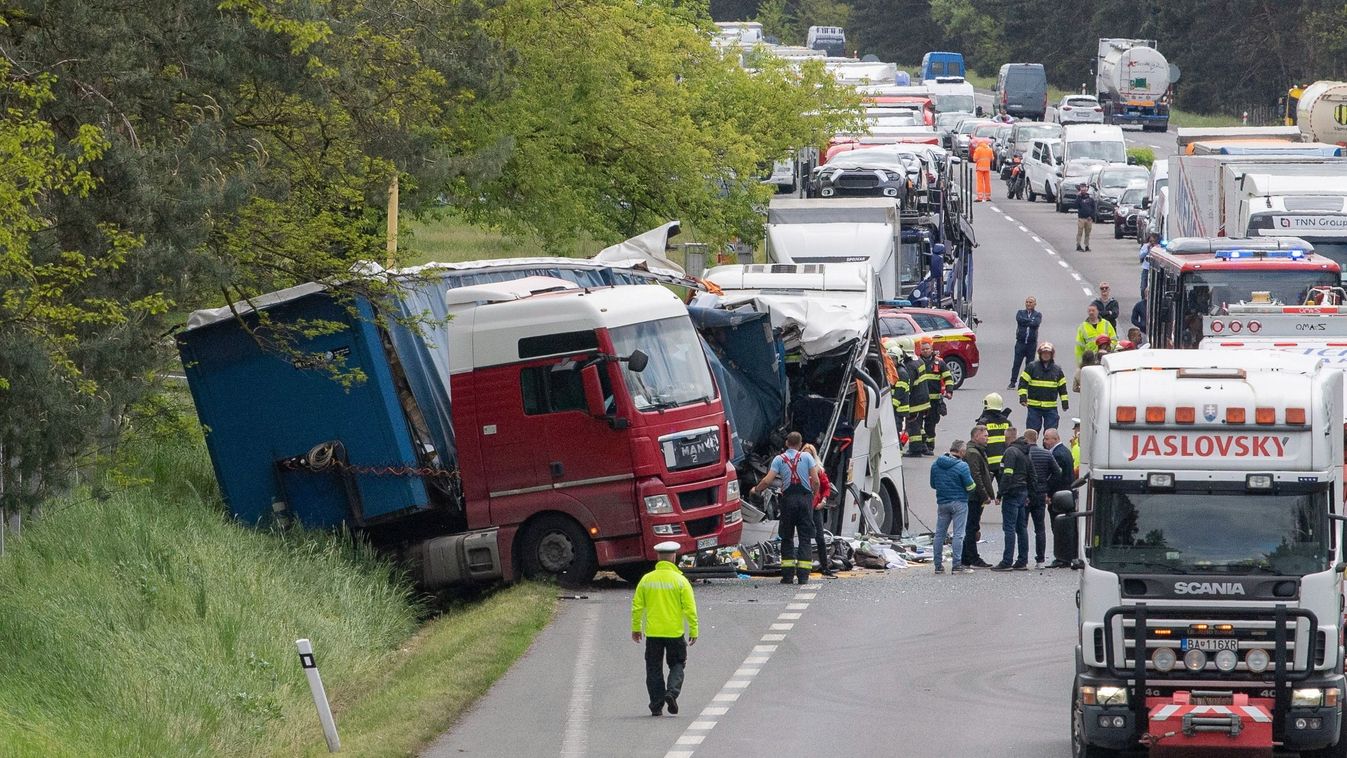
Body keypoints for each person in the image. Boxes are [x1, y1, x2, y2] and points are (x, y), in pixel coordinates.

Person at [631, 541, 699, 717]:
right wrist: (694, 630)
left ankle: (656, 705)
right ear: (674, 557)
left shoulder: (646, 580)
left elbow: (637, 606)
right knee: (677, 663)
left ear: (657, 557)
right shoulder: (681, 581)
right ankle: (672, 692)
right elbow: (690, 608)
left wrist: (636, 628)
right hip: (674, 633)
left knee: (653, 668)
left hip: (653, 634)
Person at [749, 431, 820, 585]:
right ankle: (803, 576)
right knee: (805, 538)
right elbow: (816, 481)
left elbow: (767, 480)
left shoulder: (779, 459)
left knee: (787, 537)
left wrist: (756, 489)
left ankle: (787, 576)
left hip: (788, 501)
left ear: (787, 443)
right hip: (804, 498)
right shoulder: (807, 457)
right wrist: (812, 496)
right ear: (800, 444)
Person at [929, 439, 976, 574]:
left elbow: (933, 484)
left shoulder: (936, 464)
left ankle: (938, 565)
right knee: (958, 534)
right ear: (961, 451)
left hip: (942, 502)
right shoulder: (962, 466)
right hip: (959, 502)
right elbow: (970, 486)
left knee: (939, 534)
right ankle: (956, 565)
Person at [991, 426, 1033, 571]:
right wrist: (1029, 494)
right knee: (1021, 528)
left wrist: (1000, 493)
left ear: (1007, 437)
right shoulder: (1025, 451)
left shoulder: (1010, 452)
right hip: (1022, 492)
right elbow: (1032, 474)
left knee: (1009, 528)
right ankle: (1022, 560)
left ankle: (1007, 561)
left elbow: (1007, 474)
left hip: (1012, 493)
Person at [1023, 429, 1061, 570]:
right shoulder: (1046, 454)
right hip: (1040, 494)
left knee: (1023, 527)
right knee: (1040, 528)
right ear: (1037, 438)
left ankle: (1023, 558)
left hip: (1026, 494)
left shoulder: (1024, 454)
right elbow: (1058, 472)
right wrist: (1046, 487)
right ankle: (1040, 560)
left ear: (1025, 439)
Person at [962, 425, 997, 569]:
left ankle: (965, 557)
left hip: (975, 497)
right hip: (974, 497)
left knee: (972, 526)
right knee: (972, 527)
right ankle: (972, 557)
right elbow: (976, 476)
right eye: (985, 436)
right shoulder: (973, 453)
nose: (987, 438)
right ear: (976, 436)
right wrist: (985, 495)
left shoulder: (977, 451)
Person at [1018, 341, 1069, 434]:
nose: (1046, 355)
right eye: (1044, 353)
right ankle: (1031, 447)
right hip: (1034, 406)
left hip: (1051, 407)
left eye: (1048, 353)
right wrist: (1022, 397)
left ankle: (1049, 448)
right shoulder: (1031, 367)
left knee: (1051, 432)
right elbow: (1023, 383)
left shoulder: (1057, 370)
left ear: (1052, 355)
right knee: (1032, 432)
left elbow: (1062, 388)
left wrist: (1064, 403)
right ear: (1040, 354)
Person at [1044, 428, 1077, 567]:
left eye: (1047, 438)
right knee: (1066, 526)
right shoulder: (1064, 451)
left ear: (1055, 439)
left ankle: (1062, 557)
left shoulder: (1058, 454)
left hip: (1059, 496)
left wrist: (1048, 494)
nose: (1044, 441)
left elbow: (1056, 477)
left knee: (1058, 526)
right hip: (1066, 494)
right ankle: (1068, 555)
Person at [914, 337, 952, 455]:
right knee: (917, 423)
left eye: (927, 348)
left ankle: (930, 447)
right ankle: (921, 444)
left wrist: (949, 391)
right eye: (923, 349)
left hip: (934, 400)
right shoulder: (916, 362)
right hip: (920, 400)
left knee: (931, 425)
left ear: (932, 349)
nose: (925, 351)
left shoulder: (939, 363)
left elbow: (948, 377)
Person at [802, 443, 836, 577]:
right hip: (803, 508)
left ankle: (824, 566)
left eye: (810, 455)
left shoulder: (819, 470)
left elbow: (826, 487)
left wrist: (823, 501)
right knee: (803, 538)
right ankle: (803, 567)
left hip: (815, 508)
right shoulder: (799, 469)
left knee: (820, 538)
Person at [901, 337, 931, 456]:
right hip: (923, 399)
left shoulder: (909, 366)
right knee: (918, 424)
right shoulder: (919, 361)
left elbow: (909, 386)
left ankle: (915, 449)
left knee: (913, 425)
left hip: (915, 401)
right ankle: (923, 446)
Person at [1008, 295, 1042, 390]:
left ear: (1035, 304)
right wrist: (1030, 321)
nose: (1028, 304)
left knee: (1030, 364)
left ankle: (1026, 383)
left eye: (1030, 302)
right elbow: (1020, 321)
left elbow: (1036, 323)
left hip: (1031, 343)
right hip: (1020, 342)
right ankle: (1012, 382)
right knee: (1016, 363)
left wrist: (1028, 322)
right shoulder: (1020, 313)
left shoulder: (1038, 314)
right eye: (1027, 302)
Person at [975, 392, 1013, 473]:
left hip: (988, 463)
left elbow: (977, 443)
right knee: (1004, 486)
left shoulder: (983, 423)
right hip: (1004, 463)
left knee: (986, 485)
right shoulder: (1007, 422)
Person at [1075, 185, 1097, 252]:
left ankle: (1086, 246)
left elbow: (1094, 208)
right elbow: (1076, 205)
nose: (1083, 192)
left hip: (1088, 219)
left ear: (1086, 190)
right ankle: (1078, 245)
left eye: (1084, 190)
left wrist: (1091, 216)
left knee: (1087, 233)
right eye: (1082, 191)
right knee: (1080, 232)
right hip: (1081, 218)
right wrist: (1078, 197)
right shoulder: (1079, 198)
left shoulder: (1090, 199)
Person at [1138, 233, 1159, 298]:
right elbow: (1141, 256)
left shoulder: (1159, 247)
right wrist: (1147, 249)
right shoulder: (1145, 246)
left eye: (1154, 241)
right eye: (1150, 241)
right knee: (1143, 287)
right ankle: (1143, 299)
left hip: (1155, 270)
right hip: (1146, 269)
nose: (1152, 243)